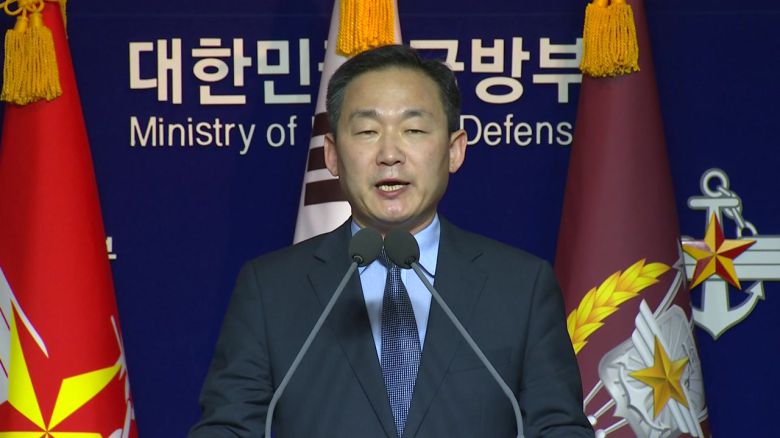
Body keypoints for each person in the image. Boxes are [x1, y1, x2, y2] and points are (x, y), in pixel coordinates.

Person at [189, 44, 593, 437]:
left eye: (413, 130)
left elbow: (558, 428)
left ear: (455, 150)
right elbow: (229, 427)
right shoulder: (270, 290)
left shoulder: (521, 287)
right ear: (332, 155)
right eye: (367, 131)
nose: (389, 154)